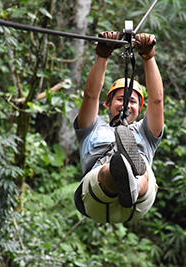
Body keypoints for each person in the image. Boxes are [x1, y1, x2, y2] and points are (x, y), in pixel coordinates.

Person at [73, 31, 164, 224]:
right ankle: (122, 171)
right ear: (107, 105)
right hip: (97, 196)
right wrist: (102, 55)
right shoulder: (91, 128)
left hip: (138, 201)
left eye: (131, 101)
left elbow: (157, 100)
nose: (125, 105)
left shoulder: (145, 133)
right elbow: (90, 96)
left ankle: (129, 176)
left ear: (139, 110)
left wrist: (149, 56)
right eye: (120, 99)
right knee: (108, 170)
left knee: (142, 173)